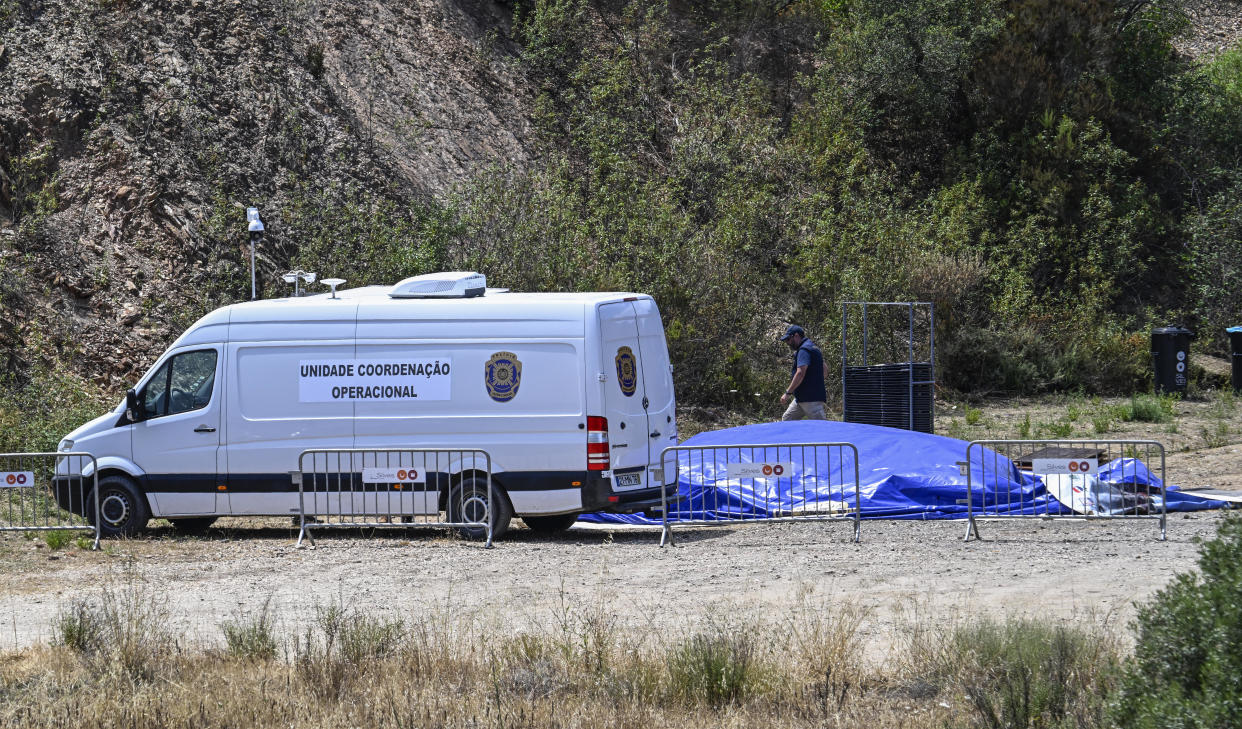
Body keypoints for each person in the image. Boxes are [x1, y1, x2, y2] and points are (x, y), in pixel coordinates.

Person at [778, 324, 829, 420]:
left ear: (796, 336)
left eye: (788, 339)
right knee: (787, 419)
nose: (787, 343)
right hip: (801, 398)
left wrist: (787, 393)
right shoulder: (813, 348)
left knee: (821, 428)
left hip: (810, 400)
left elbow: (800, 373)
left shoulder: (804, 350)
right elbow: (825, 370)